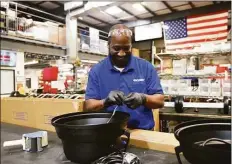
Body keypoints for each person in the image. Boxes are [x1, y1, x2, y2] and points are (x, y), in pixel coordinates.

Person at [84, 24, 164, 130]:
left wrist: (143, 98)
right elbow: (89, 106)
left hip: (142, 131)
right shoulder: (97, 71)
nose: (121, 53)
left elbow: (160, 101)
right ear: (108, 45)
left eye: (126, 48)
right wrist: (105, 102)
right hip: (108, 132)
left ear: (131, 46)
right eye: (116, 48)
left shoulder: (146, 67)